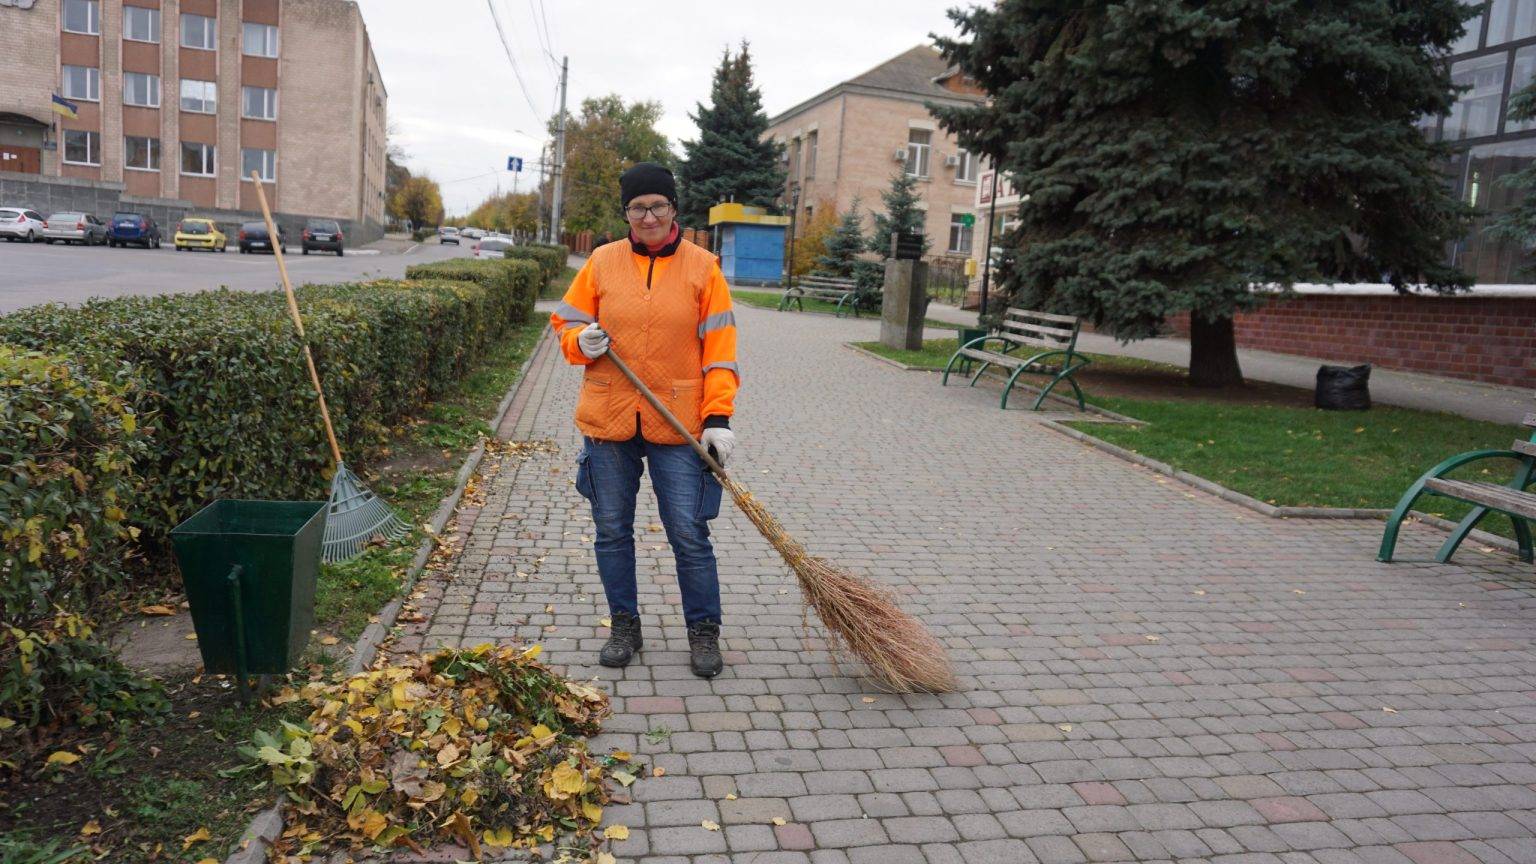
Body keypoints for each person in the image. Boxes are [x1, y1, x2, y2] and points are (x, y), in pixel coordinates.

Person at [549, 162, 739, 678]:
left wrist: (717, 416)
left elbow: (720, 350)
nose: (648, 216)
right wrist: (579, 343)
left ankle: (703, 632)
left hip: (677, 422)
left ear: (674, 208)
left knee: (688, 531)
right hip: (609, 419)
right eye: (638, 207)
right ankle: (624, 625)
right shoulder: (602, 261)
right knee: (612, 529)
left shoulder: (703, 268)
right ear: (626, 213)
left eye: (657, 205)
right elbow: (565, 322)